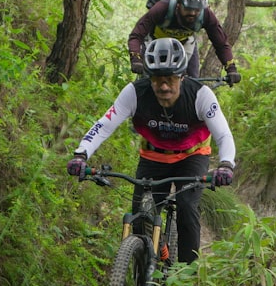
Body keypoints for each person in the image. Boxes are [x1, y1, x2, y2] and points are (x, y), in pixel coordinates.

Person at [66, 38, 236, 265]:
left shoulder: (200, 95)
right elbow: (104, 124)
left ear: (182, 77)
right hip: (153, 158)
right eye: (157, 80)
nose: (164, 86)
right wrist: (81, 154)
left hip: (191, 157)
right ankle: (143, 278)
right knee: (140, 218)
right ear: (149, 78)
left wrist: (226, 164)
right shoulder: (135, 93)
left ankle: (186, 278)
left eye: (170, 80)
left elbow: (223, 135)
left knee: (186, 207)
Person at [128, 0, 240, 83]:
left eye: (197, 10)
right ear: (178, 4)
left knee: (192, 84)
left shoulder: (206, 15)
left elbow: (221, 44)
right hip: (155, 43)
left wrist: (231, 68)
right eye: (188, 8)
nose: (192, 13)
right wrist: (136, 59)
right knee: (146, 81)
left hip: (185, 44)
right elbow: (136, 35)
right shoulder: (162, 8)